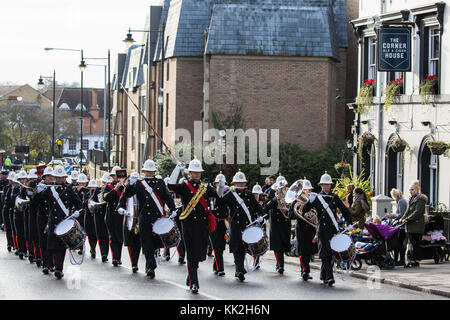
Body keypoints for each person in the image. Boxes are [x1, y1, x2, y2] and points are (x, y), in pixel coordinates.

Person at [167, 158, 219, 294]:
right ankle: (194, 283)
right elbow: (171, 185)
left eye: (198, 173)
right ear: (189, 173)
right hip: (189, 225)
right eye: (194, 172)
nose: (197, 175)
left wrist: (221, 183)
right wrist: (177, 169)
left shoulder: (206, 187)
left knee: (199, 254)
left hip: (202, 226)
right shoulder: (184, 186)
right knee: (191, 254)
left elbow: (218, 196)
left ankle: (190, 276)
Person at [117, 160, 176, 278]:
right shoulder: (139, 184)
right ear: (144, 172)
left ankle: (150, 264)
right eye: (147, 171)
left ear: (154, 172)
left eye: (151, 171)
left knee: (155, 243)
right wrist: (129, 185)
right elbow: (126, 195)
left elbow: (167, 197)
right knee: (147, 243)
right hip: (144, 218)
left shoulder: (159, 183)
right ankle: (150, 266)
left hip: (157, 218)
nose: (149, 173)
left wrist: (173, 209)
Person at [301, 172, 353, 287]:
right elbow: (304, 210)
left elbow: (345, 210)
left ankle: (323, 275)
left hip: (333, 229)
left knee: (332, 254)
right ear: (321, 185)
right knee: (324, 254)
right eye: (325, 184)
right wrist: (309, 201)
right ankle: (330, 277)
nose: (327, 186)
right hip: (322, 230)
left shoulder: (334, 197)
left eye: (328, 184)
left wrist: (349, 223)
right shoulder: (317, 197)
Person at [35, 165, 83, 279]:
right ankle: (49, 265)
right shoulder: (50, 189)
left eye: (62, 177)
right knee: (52, 246)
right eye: (58, 177)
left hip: (64, 222)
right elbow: (38, 202)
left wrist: (76, 212)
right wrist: (37, 192)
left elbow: (79, 204)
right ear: (55, 177)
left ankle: (58, 269)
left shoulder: (69, 189)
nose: (60, 180)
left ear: (65, 178)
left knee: (61, 247)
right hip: (53, 222)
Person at [216, 170, 264, 282]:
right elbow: (219, 203)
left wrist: (261, 216)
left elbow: (258, 208)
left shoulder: (249, 195)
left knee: (244, 248)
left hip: (247, 226)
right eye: (238, 183)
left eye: (242, 183)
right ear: (234, 184)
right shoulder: (230, 195)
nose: (240, 185)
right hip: (236, 226)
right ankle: (239, 270)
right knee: (237, 248)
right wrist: (220, 190)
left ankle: (240, 268)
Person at [289, 178, 316, 281]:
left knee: (310, 250)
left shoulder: (314, 200)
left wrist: (315, 218)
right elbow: (290, 215)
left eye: (309, 190)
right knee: (302, 251)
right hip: (301, 229)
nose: (307, 192)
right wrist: (299, 213)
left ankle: (306, 270)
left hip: (311, 228)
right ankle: (305, 271)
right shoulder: (295, 202)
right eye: (305, 190)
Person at [265, 176, 291, 274]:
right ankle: (280, 265)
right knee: (277, 245)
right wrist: (276, 198)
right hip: (275, 222)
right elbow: (266, 206)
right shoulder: (272, 192)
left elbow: (292, 205)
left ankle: (279, 263)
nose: (281, 187)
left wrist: (288, 209)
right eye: (280, 185)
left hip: (285, 221)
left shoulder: (289, 192)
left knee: (284, 244)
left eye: (283, 185)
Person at [117, 172, 142, 274]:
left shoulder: (142, 193)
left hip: (140, 221)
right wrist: (123, 211)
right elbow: (119, 206)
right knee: (131, 244)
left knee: (139, 243)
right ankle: (134, 264)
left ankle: (136, 262)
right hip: (129, 221)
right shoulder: (126, 194)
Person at [399, 180, 427, 268]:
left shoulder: (420, 199)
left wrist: (406, 219)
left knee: (415, 244)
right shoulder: (412, 199)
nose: (411, 191)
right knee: (411, 243)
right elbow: (407, 211)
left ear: (417, 190)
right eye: (410, 190)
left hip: (417, 226)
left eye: (412, 190)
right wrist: (402, 218)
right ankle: (412, 260)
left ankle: (416, 261)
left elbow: (417, 212)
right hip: (411, 226)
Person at [103, 166, 125, 266]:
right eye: (115, 176)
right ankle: (115, 258)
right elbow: (106, 198)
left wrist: (123, 186)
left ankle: (118, 257)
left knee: (120, 237)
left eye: (118, 175)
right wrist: (115, 189)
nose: (116, 177)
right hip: (111, 214)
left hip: (120, 215)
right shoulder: (108, 187)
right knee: (112, 237)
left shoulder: (125, 187)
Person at [35, 167, 55, 274]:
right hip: (42, 217)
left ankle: (53, 264)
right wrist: (37, 193)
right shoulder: (41, 188)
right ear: (44, 178)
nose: (50, 178)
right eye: (48, 176)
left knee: (53, 242)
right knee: (43, 242)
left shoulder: (58, 188)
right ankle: (45, 264)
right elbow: (34, 205)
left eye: (52, 176)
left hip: (54, 218)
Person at [209, 172, 228, 277]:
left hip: (223, 223)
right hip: (213, 222)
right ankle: (220, 268)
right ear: (215, 183)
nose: (220, 185)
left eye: (222, 183)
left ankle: (215, 266)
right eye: (218, 183)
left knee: (221, 246)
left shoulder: (227, 194)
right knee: (216, 246)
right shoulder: (211, 194)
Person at [386, 188, 408, 266]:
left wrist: (392, 216)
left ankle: (400, 260)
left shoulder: (401, 202)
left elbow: (401, 214)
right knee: (400, 244)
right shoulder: (400, 201)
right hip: (401, 226)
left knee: (398, 244)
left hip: (401, 227)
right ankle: (399, 260)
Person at [96, 173, 112, 262]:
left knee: (108, 236)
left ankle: (106, 253)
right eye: (104, 182)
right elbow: (93, 200)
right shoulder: (97, 190)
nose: (105, 184)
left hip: (109, 215)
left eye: (107, 183)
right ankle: (103, 254)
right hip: (100, 215)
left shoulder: (111, 190)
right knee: (101, 236)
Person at [84, 178, 99, 259]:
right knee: (90, 235)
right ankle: (92, 249)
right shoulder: (86, 195)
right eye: (91, 188)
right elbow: (84, 204)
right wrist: (90, 196)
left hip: (96, 217)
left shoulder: (98, 195)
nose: (92, 189)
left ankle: (94, 248)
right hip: (89, 218)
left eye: (94, 188)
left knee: (95, 235)